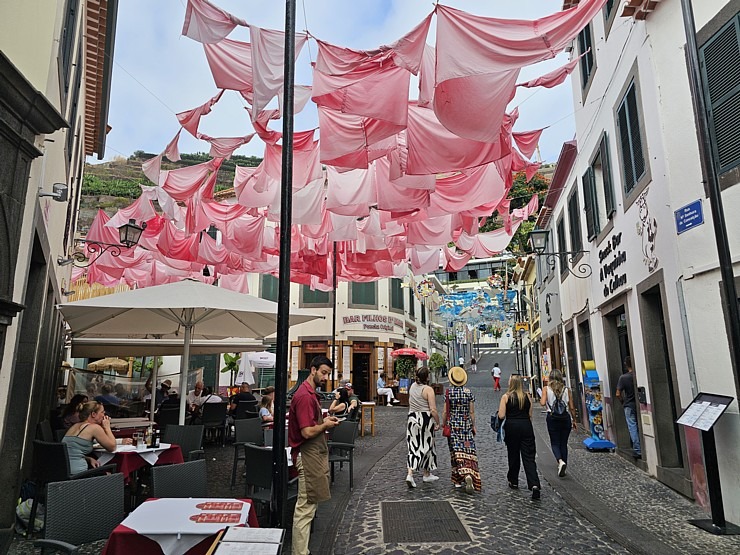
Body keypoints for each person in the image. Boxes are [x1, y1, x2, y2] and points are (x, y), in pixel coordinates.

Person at [288, 355, 340, 555]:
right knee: (305, 509)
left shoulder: (309, 394)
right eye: (324, 373)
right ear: (313, 370)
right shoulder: (304, 396)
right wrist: (325, 425)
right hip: (307, 455)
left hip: (311, 455)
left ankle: (302, 550)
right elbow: (307, 432)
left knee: (309, 506)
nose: (326, 377)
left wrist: (326, 418)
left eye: (328, 373)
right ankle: (299, 552)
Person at [498, 375, 541, 500]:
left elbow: (501, 415)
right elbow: (530, 414)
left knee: (513, 454)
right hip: (526, 426)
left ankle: (513, 480)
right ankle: (534, 484)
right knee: (529, 457)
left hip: (512, 427)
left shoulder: (506, 397)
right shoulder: (527, 396)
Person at [63, 401, 131, 475]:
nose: (104, 415)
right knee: (114, 475)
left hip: (64, 471)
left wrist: (89, 459)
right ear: (93, 414)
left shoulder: (74, 426)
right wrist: (107, 427)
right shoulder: (94, 428)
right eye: (102, 412)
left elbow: (72, 452)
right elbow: (112, 447)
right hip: (78, 474)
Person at [441, 367, 480, 494]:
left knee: (455, 452)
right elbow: (472, 412)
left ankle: (457, 480)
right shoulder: (469, 393)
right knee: (467, 451)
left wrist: (443, 423)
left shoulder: (449, 393)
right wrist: (473, 425)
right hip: (466, 426)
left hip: (453, 427)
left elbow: (445, 411)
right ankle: (469, 474)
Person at [405, 367, 440, 488]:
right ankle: (426, 473)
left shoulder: (412, 387)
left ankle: (410, 474)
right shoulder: (428, 390)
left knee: (413, 447)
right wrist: (438, 422)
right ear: (427, 377)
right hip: (425, 419)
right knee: (427, 446)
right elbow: (433, 409)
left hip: (412, 418)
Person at [539, 370, 578, 477]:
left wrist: (544, 397)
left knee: (555, 442)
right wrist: (574, 420)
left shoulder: (546, 389)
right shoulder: (567, 390)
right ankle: (563, 466)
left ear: (550, 378)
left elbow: (542, 403)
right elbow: (572, 407)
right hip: (565, 418)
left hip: (552, 418)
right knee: (563, 443)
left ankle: (560, 461)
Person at [616, 356, 641, 458]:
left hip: (629, 405)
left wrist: (623, 402)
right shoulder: (637, 376)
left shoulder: (623, 378)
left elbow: (618, 394)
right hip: (638, 404)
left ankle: (638, 450)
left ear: (626, 365)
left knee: (632, 427)